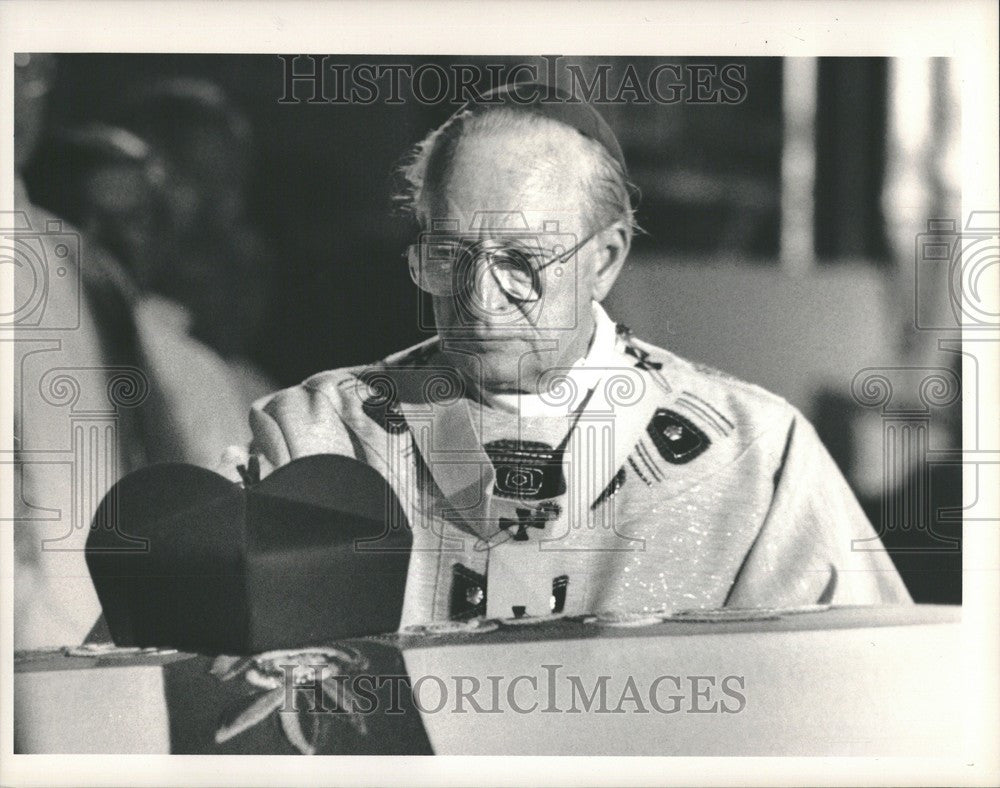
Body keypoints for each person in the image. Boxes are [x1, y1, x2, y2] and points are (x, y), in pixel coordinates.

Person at [222, 83, 910, 626]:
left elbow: (858, 702)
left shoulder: (757, 458)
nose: (481, 299)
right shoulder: (320, 435)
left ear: (605, 260)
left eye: (522, 262)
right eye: (451, 256)